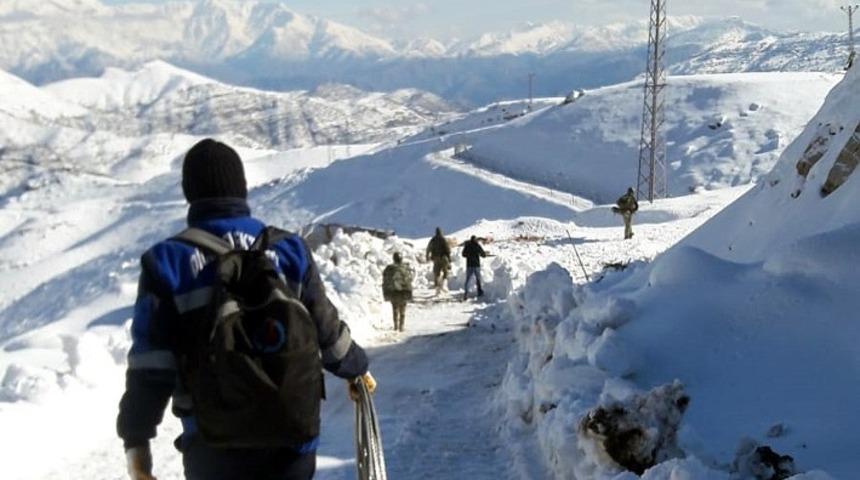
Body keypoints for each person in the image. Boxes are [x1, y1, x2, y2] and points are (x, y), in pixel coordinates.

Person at [117, 139, 376, 480]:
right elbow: (326, 331)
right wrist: (357, 369)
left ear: (189, 192)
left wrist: (137, 441)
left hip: (213, 444)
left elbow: (151, 366)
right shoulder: (290, 250)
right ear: (241, 188)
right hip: (292, 436)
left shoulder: (168, 261)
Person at [382, 252, 413, 332]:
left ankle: (396, 325)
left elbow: (384, 278)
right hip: (404, 291)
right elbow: (411, 278)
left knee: (395, 308)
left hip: (393, 291)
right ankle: (401, 326)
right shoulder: (406, 267)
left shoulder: (389, 268)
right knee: (403, 309)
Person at [425, 227, 451, 294]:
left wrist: (427, 256)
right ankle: (443, 285)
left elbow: (428, 248)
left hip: (436, 259)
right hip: (443, 258)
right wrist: (449, 259)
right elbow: (448, 249)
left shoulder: (433, 240)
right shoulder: (443, 239)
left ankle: (437, 288)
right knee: (445, 272)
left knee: (436, 273)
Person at [461, 235, 487, 300]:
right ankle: (479, 292)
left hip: (469, 265)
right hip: (476, 265)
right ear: (476, 240)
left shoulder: (467, 246)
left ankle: (466, 293)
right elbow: (483, 255)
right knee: (478, 279)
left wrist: (468, 255)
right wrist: (479, 254)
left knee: (468, 279)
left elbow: (463, 254)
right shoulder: (477, 246)